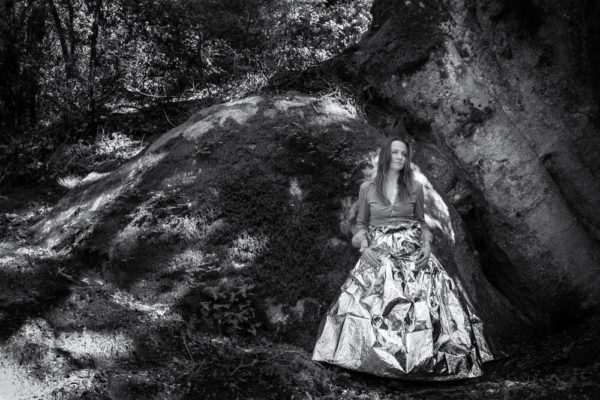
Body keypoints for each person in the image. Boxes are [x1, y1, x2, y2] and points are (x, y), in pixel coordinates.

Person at [312, 136, 494, 380]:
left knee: (426, 305)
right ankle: (372, 363)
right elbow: (361, 226)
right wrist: (364, 248)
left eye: (404, 154)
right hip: (379, 253)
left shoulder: (415, 187)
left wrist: (427, 245)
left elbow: (422, 224)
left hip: (412, 252)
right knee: (368, 303)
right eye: (395, 152)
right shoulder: (367, 188)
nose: (399, 157)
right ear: (385, 156)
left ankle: (424, 361)